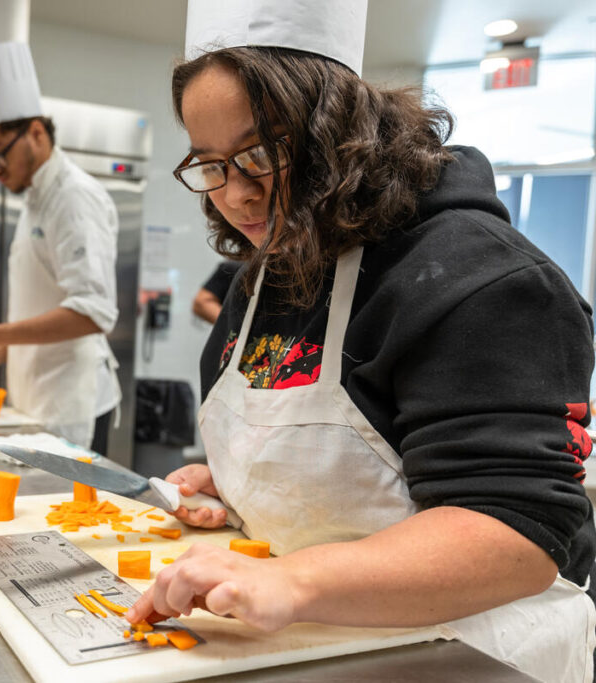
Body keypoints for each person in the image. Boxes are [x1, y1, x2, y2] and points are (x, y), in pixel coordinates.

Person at [123, 1, 596, 680]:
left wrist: (298, 579)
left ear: (340, 130)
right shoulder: (265, 277)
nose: (236, 194)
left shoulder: (483, 279)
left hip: (470, 653)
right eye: (212, 165)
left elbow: (518, 532)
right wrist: (246, 481)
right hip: (314, 645)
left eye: (261, 154)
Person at [0, 42, 121, 454]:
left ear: (36, 131)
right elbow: (44, 302)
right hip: (36, 398)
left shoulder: (73, 197)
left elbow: (94, 311)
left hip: (71, 403)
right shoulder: (34, 197)